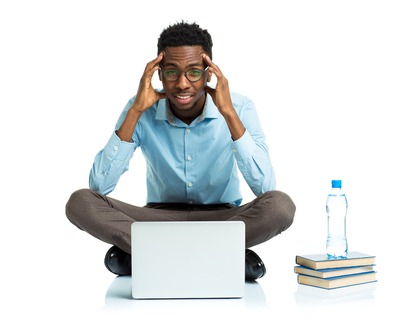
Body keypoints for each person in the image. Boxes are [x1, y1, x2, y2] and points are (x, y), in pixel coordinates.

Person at [66, 21, 296, 281]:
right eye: (172, 72)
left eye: (194, 72)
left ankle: (146, 254)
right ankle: (223, 255)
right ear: (159, 74)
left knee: (281, 206)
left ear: (209, 74)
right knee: (80, 202)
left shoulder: (239, 107)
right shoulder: (140, 108)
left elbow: (266, 187)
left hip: (223, 219)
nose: (183, 84)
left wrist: (229, 113)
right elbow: (99, 185)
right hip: (156, 219)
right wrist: (135, 112)